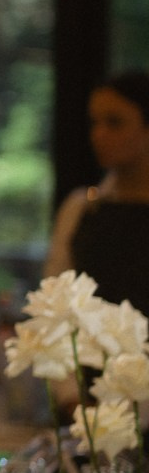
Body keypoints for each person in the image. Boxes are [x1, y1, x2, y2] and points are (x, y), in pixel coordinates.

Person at [45, 70, 149, 312]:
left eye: (114, 122)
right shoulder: (83, 206)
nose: (99, 134)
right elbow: (56, 297)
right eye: (95, 122)